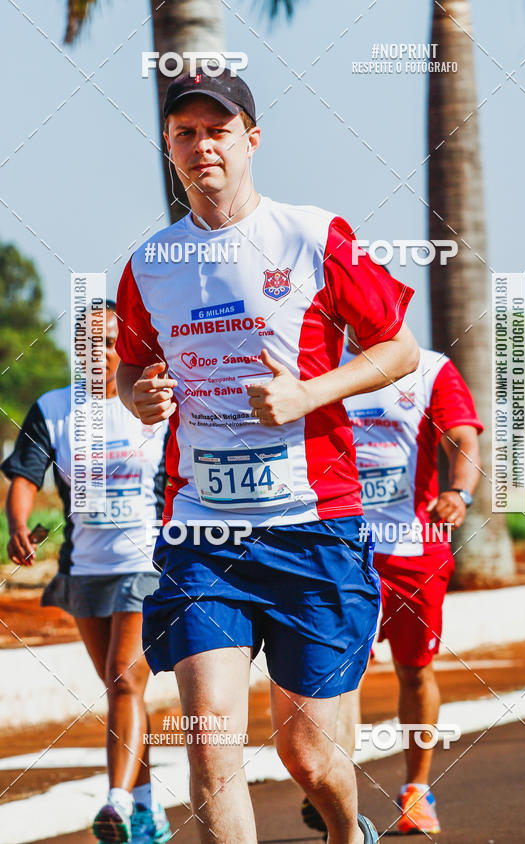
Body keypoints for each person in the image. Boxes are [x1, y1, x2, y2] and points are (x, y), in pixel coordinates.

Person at [114, 66, 420, 844]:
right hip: (200, 532)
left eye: (218, 130)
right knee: (211, 736)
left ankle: (349, 832)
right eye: (185, 133)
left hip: (313, 526)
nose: (201, 145)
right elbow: (129, 365)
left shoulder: (313, 235)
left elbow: (400, 348)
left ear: (251, 140)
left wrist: (311, 394)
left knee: (307, 752)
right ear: (168, 148)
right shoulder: (150, 262)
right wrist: (138, 397)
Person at [2, 301, 172, 844]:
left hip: (144, 563)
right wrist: (19, 525)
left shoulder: (150, 407)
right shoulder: (54, 408)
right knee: (122, 693)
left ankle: (117, 802)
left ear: (124, 346)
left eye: (105, 343)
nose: (95, 355)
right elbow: (26, 475)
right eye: (85, 345)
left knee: (126, 679)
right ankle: (146, 809)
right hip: (85, 570)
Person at [303, 327, 483, 837]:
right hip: (339, 542)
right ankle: (330, 786)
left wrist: (459, 492)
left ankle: (416, 790)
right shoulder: (324, 369)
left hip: (413, 548)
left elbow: (463, 437)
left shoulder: (429, 370)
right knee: (337, 671)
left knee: (413, 671)